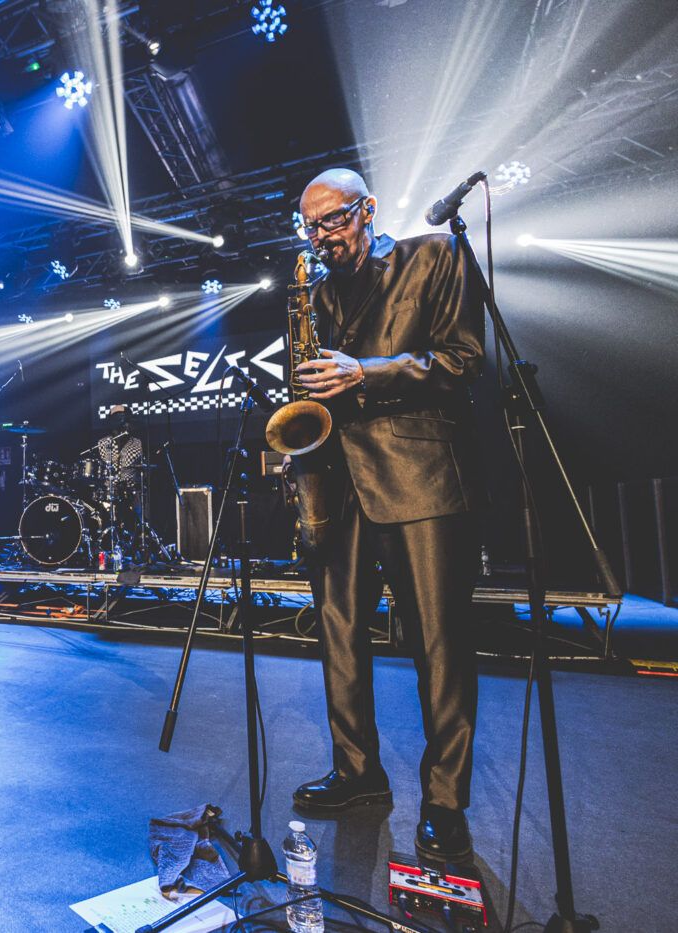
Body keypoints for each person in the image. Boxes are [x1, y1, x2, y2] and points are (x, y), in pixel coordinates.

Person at [290, 168, 486, 862]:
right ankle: (357, 773)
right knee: (340, 635)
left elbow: (463, 359)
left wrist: (365, 372)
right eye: (311, 227)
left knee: (439, 643)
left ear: (368, 209)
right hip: (334, 482)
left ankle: (445, 799)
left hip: (418, 476)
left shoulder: (433, 256)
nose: (322, 238)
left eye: (334, 222)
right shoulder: (311, 292)